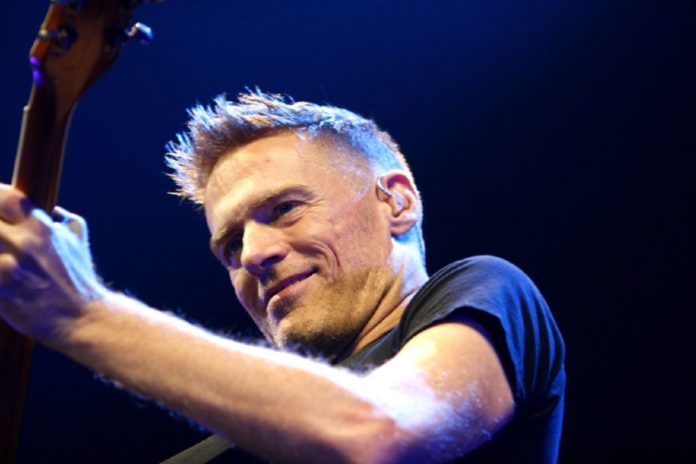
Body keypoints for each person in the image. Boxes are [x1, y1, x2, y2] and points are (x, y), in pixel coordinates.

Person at [0, 90, 565, 463]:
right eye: (230, 244)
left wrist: (83, 313)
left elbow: (380, 434)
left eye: (285, 209)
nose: (252, 255)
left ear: (396, 202)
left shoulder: (488, 289)